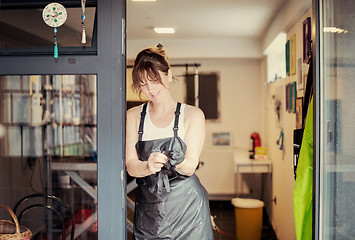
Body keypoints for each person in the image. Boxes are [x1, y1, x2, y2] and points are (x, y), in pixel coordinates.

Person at [126, 44, 214, 239]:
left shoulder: (192, 115)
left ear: (168, 74)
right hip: (149, 212)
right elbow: (131, 166)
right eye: (142, 83)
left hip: (189, 211)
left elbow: (190, 166)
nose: (149, 89)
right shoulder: (133, 116)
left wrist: (171, 161)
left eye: (154, 80)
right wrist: (148, 166)